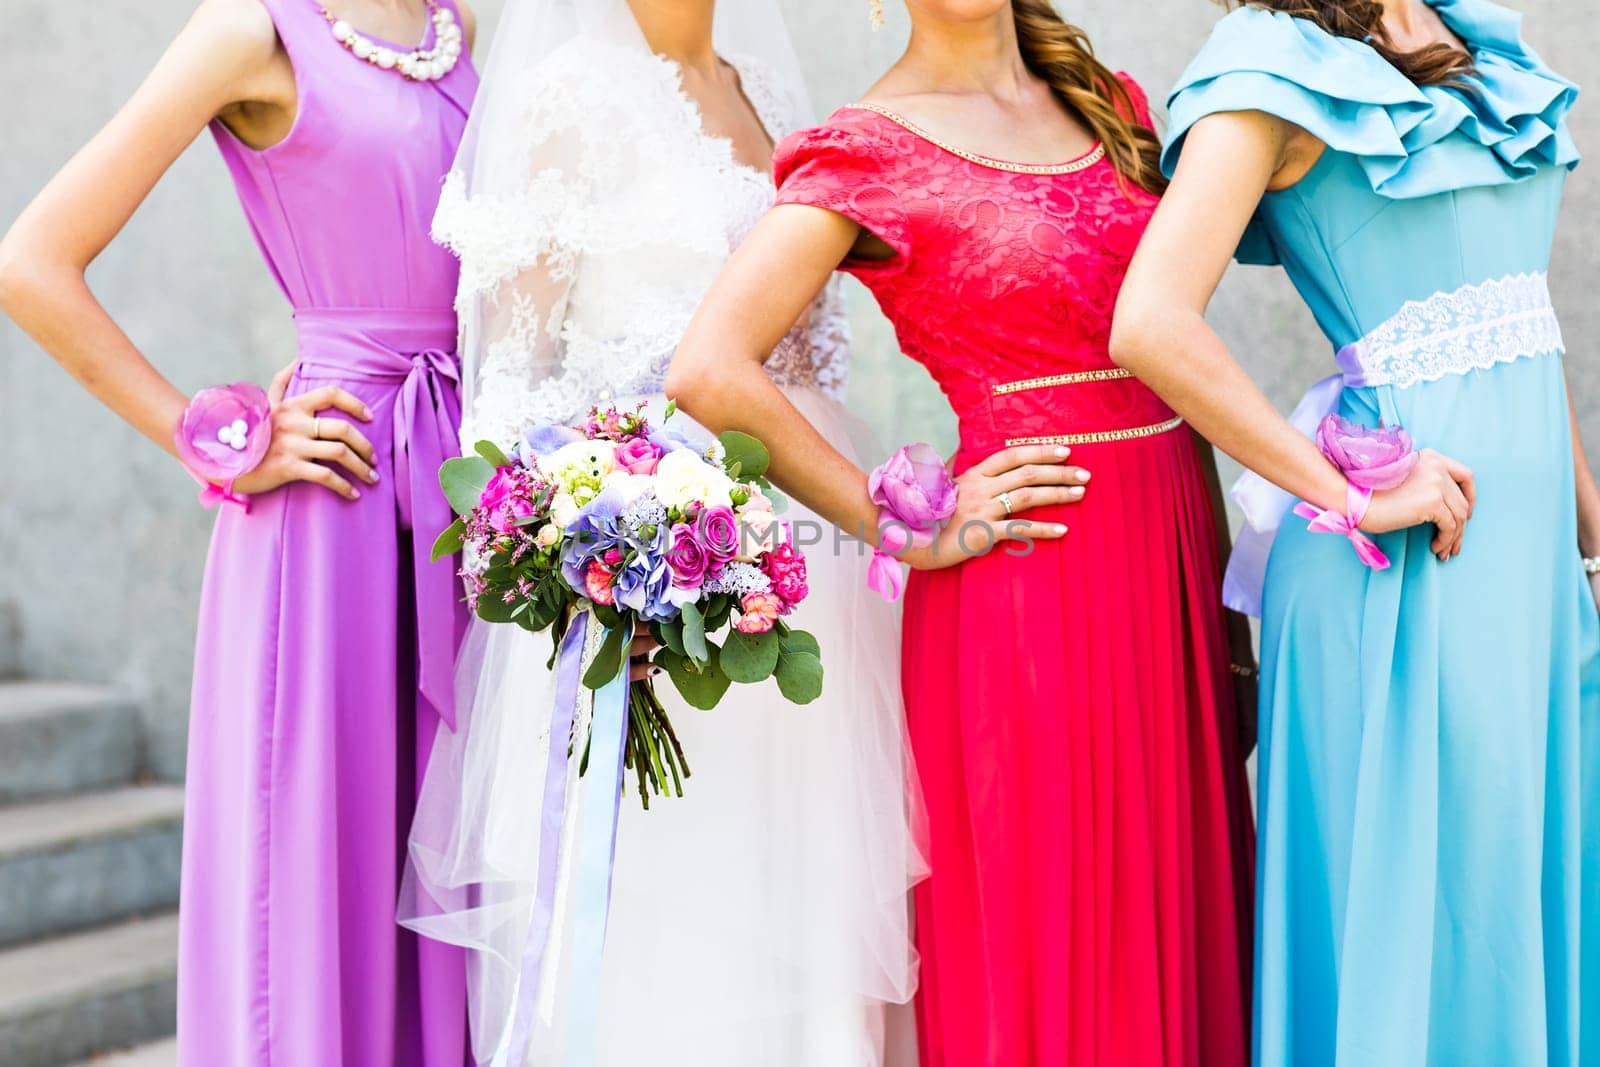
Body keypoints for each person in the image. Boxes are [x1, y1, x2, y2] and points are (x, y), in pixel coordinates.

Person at [667, 2, 1257, 1063]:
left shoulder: (1106, 101)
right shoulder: (869, 149)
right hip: (1031, 583)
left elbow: (1173, 359)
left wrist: (1218, 597)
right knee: (1056, 929)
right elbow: (708, 366)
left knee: (1173, 910)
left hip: (1168, 554)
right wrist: (895, 523)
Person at [396, 2, 930, 1064]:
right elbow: (510, 385)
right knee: (665, 890)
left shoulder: (766, 90)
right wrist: (587, 554)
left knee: (795, 894)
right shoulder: (567, 97)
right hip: (642, 570)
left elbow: (814, 354)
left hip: (797, 558)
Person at [1111, 0, 1599, 1062]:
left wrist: (1591, 537)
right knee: (1437, 909)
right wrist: (1352, 495)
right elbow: (1149, 321)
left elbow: (1524, 321)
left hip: (1533, 572)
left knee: (1524, 894)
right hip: (1407, 566)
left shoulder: (1486, 43)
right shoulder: (1267, 64)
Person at [0, 1, 478, 1062]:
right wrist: (210, 432)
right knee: (312, 868)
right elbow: (30, 262)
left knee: (433, 870)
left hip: (456, 495)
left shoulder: (454, 24)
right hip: (332, 505)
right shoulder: (249, 30)